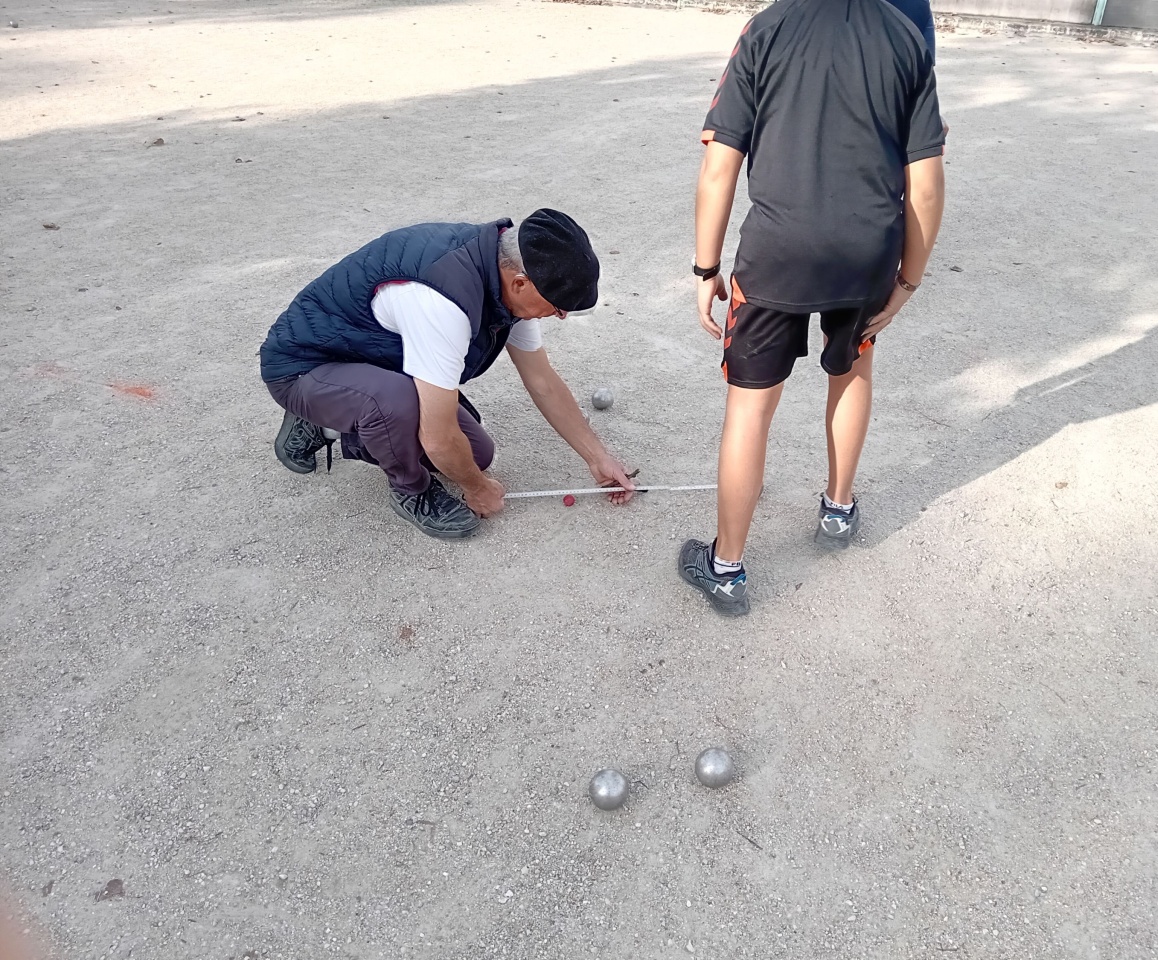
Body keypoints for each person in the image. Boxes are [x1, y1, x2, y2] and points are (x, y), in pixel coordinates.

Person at [679, 0, 947, 615]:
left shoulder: (766, 29)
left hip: (777, 253)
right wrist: (908, 280)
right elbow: (927, 185)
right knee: (852, 369)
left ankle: (726, 567)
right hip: (866, 253)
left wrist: (706, 267)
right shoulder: (906, 37)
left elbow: (719, 168)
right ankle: (838, 509)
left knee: (749, 407)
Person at [259, 209, 635, 538]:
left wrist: (597, 457)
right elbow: (438, 440)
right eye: (558, 306)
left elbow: (543, 381)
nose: (561, 315)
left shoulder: (505, 277)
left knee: (476, 454)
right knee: (400, 411)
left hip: (370, 358)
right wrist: (477, 489)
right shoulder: (443, 302)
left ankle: (332, 421)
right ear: (521, 283)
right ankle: (410, 490)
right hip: (303, 367)